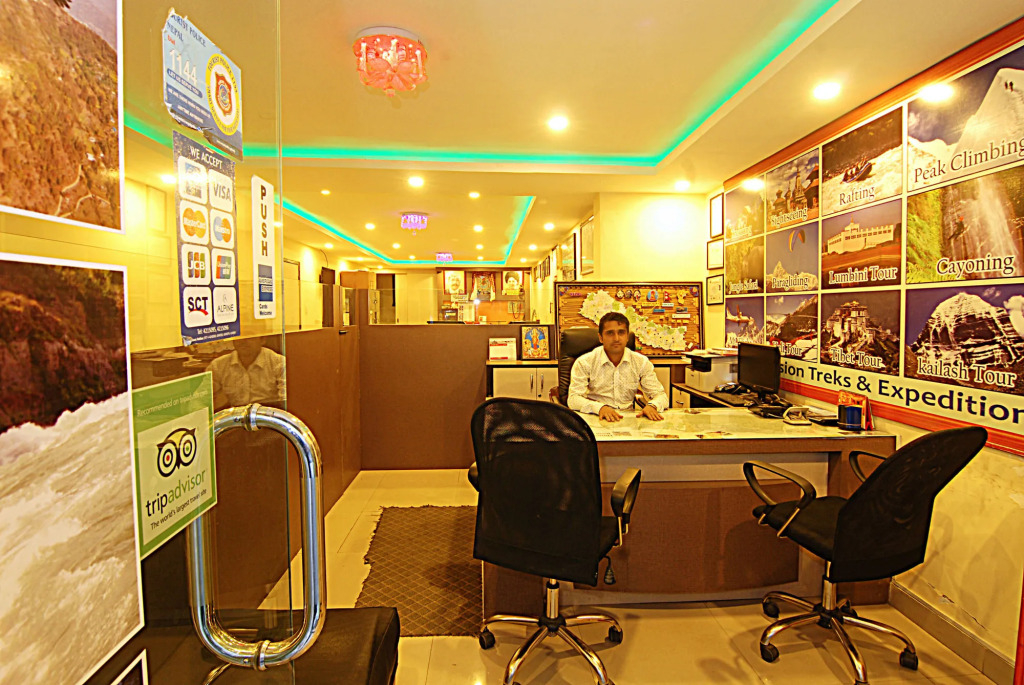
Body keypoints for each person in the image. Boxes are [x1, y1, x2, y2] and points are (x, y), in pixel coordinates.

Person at [567, 312, 668, 422]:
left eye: (621, 332)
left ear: (627, 336)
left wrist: (653, 406)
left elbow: (661, 396)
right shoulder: (585, 362)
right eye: (610, 333)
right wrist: (600, 408)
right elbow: (573, 399)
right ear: (601, 338)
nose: (616, 338)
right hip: (595, 418)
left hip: (627, 421)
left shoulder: (641, 362)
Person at [209, 337, 287, 410]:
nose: (243, 341)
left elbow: (285, 401)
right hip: (235, 416)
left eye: (249, 337)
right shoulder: (218, 365)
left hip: (270, 415)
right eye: (239, 337)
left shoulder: (279, 362)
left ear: (263, 340)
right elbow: (206, 399)